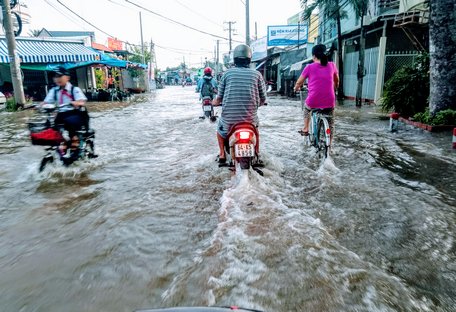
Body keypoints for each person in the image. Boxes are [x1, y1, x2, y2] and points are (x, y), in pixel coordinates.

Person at [212, 44, 266, 165]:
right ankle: (257, 153)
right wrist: (258, 104)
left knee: (220, 131)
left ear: (235, 60)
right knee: (256, 129)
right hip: (249, 121)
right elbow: (263, 98)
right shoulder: (257, 74)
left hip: (229, 121)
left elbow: (219, 98)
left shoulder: (226, 74)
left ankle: (222, 154)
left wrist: (214, 103)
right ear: (249, 59)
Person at [294, 44, 339, 141]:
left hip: (313, 100)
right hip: (330, 100)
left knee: (306, 109)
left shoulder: (309, 67)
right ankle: (329, 147)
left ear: (314, 56)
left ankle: (305, 128)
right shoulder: (332, 65)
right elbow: (336, 81)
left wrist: (296, 87)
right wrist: (335, 88)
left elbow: (299, 82)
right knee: (330, 124)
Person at [42, 66, 89, 156]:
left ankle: (75, 146)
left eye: (60, 76)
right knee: (51, 128)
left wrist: (76, 102)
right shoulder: (54, 91)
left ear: (67, 77)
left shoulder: (74, 89)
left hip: (74, 114)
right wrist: (38, 106)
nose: (57, 79)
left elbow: (82, 101)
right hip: (60, 114)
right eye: (55, 76)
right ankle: (62, 145)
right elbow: (46, 102)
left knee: (71, 128)